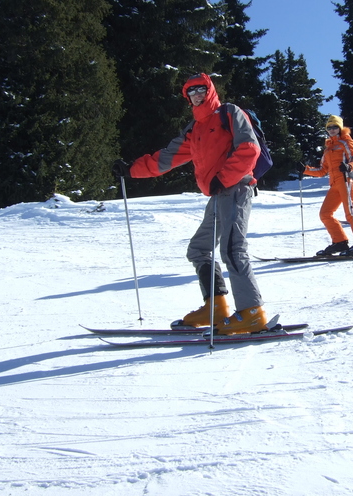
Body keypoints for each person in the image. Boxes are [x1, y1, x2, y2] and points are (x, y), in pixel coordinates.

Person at [112, 73, 267, 334]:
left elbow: (250, 149)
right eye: (191, 92)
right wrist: (131, 170)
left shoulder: (229, 113)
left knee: (232, 249)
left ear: (210, 91)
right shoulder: (194, 130)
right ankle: (215, 306)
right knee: (198, 249)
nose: (196, 94)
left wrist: (224, 177)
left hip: (237, 188)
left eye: (200, 89)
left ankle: (252, 313)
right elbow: (165, 158)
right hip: (218, 195)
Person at [302, 115, 353, 256]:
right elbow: (322, 170)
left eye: (335, 127)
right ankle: (340, 242)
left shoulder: (346, 142)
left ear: (340, 128)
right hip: (334, 184)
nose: (332, 129)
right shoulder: (328, 148)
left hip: (346, 180)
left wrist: (348, 167)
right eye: (329, 127)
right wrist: (304, 169)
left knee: (350, 212)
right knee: (325, 214)